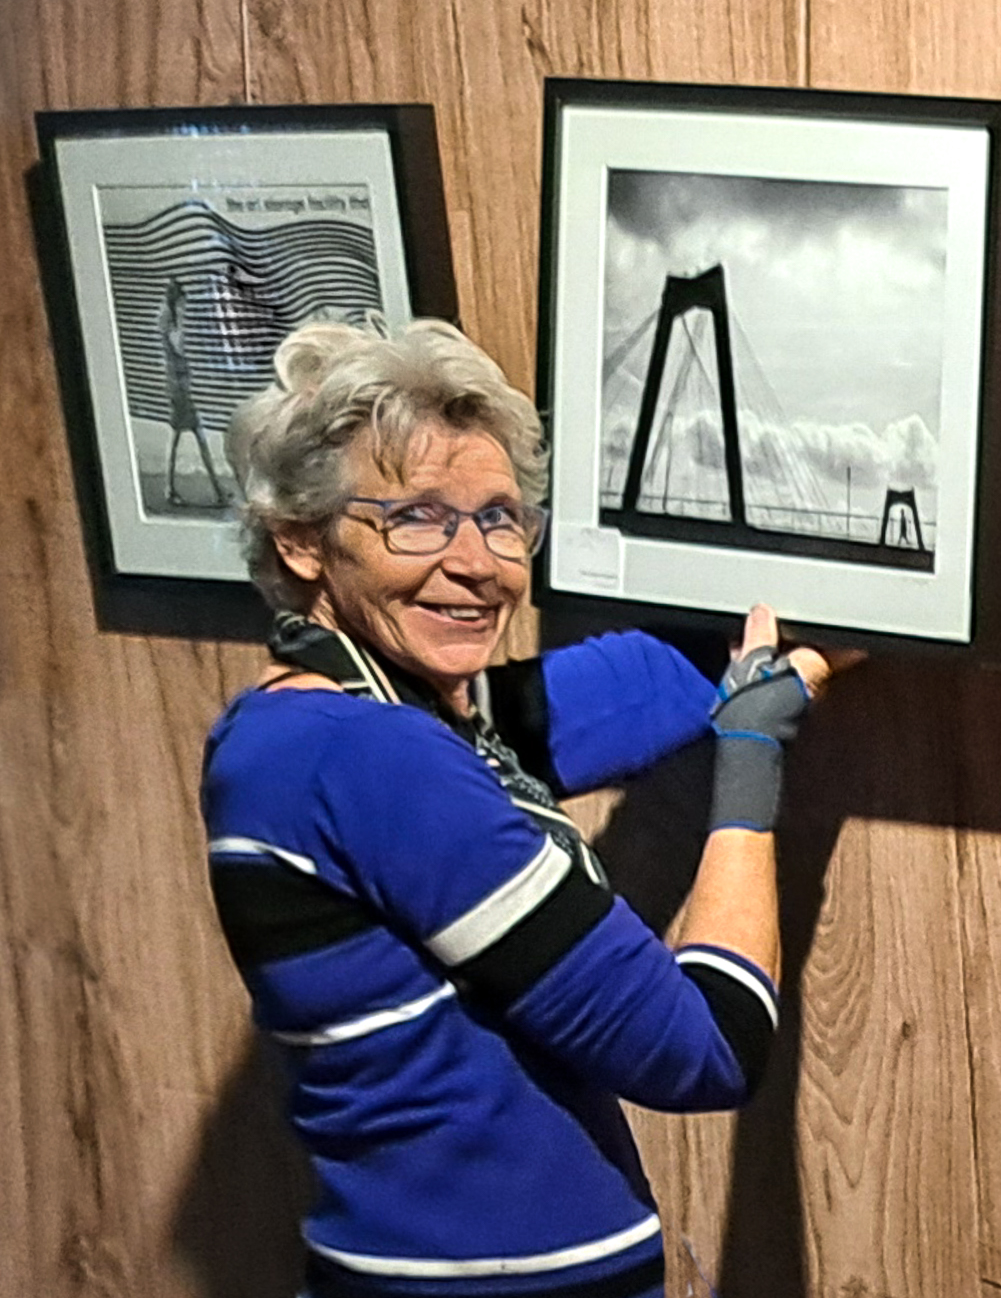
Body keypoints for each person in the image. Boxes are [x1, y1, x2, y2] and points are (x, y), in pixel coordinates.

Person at [201, 317, 832, 1298]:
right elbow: (705, 1048)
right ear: (302, 540)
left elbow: (621, 690)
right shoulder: (378, 758)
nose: (476, 562)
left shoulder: (295, 729)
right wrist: (751, 756)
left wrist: (849, 612)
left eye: (499, 517)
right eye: (416, 517)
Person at [159, 276, 231, 507]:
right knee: (196, 437)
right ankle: (215, 491)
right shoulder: (171, 323)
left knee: (181, 438)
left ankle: (174, 489)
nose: (185, 307)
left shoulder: (167, 320)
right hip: (179, 389)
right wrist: (182, 322)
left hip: (179, 386)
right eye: (183, 303)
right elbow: (179, 347)